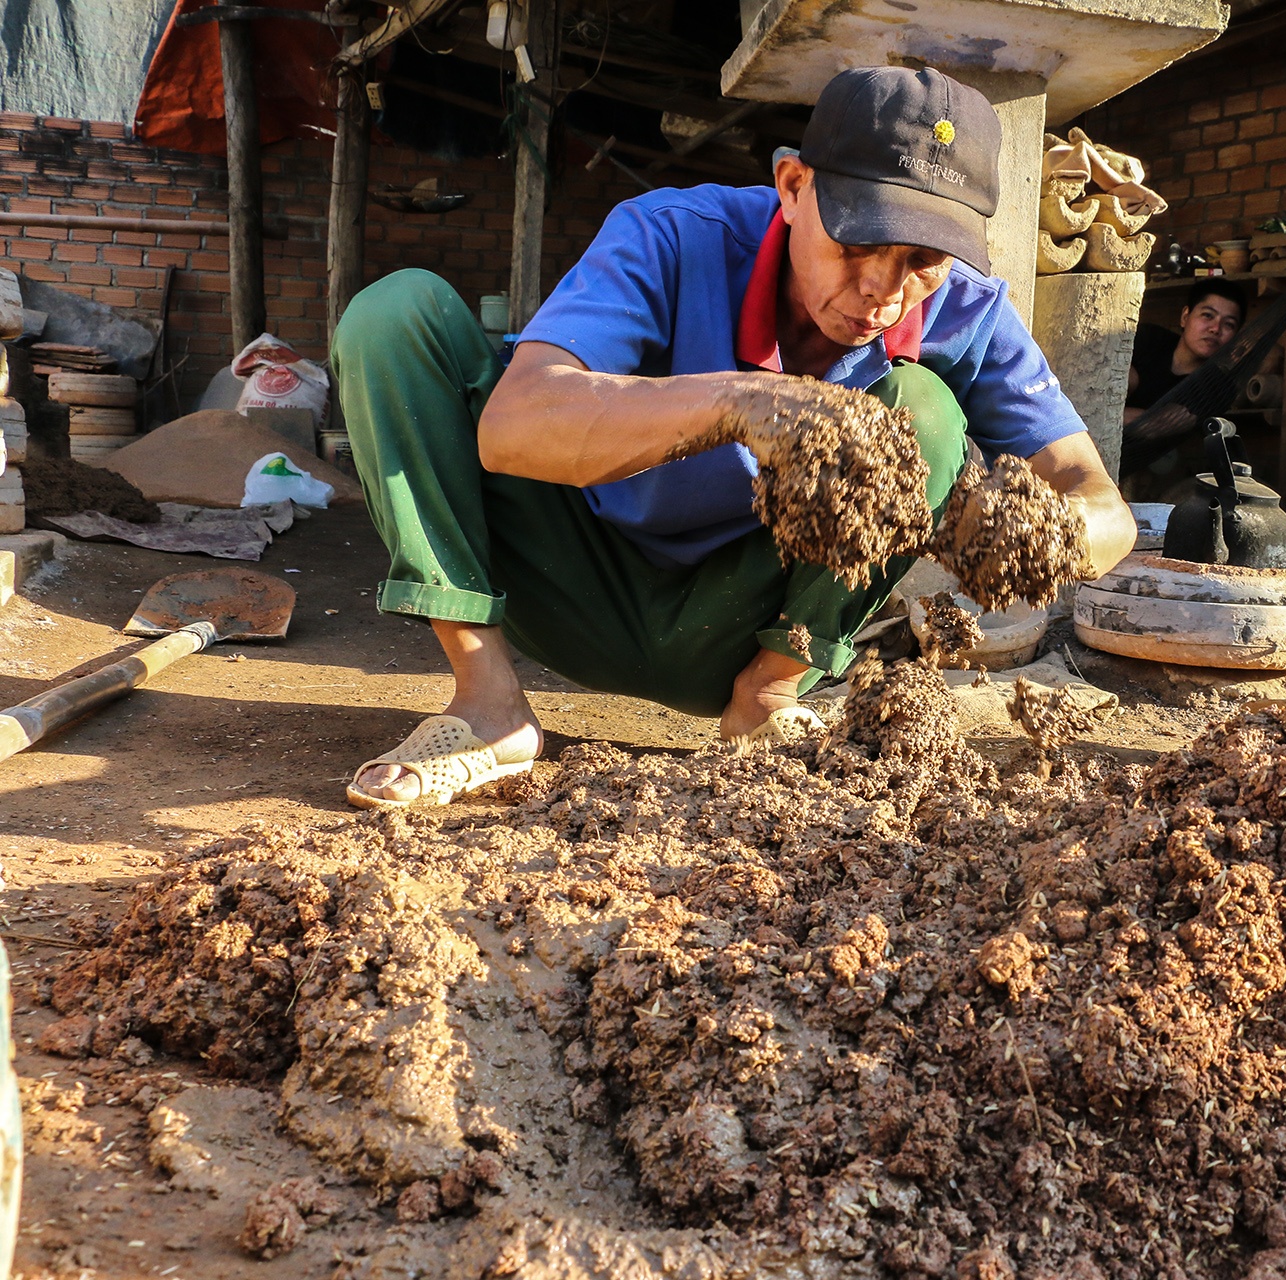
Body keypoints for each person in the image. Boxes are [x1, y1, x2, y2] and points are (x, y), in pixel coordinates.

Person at [331, 65, 1135, 810]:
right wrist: (741, 402)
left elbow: (1106, 510)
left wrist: (1018, 531)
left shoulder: (971, 312)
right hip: (562, 576)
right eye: (856, 243)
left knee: (923, 407)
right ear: (793, 186)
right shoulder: (672, 235)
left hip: (731, 632)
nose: (881, 293)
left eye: (922, 261)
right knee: (394, 315)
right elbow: (514, 428)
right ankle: (489, 704)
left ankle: (769, 697)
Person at [1119, 278, 1245, 484]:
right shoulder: (1148, 338)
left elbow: (1153, 425)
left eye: (1228, 324)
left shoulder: (1216, 387)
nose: (1215, 328)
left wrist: (1109, 415)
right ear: (1185, 316)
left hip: (1146, 469)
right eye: (1207, 316)